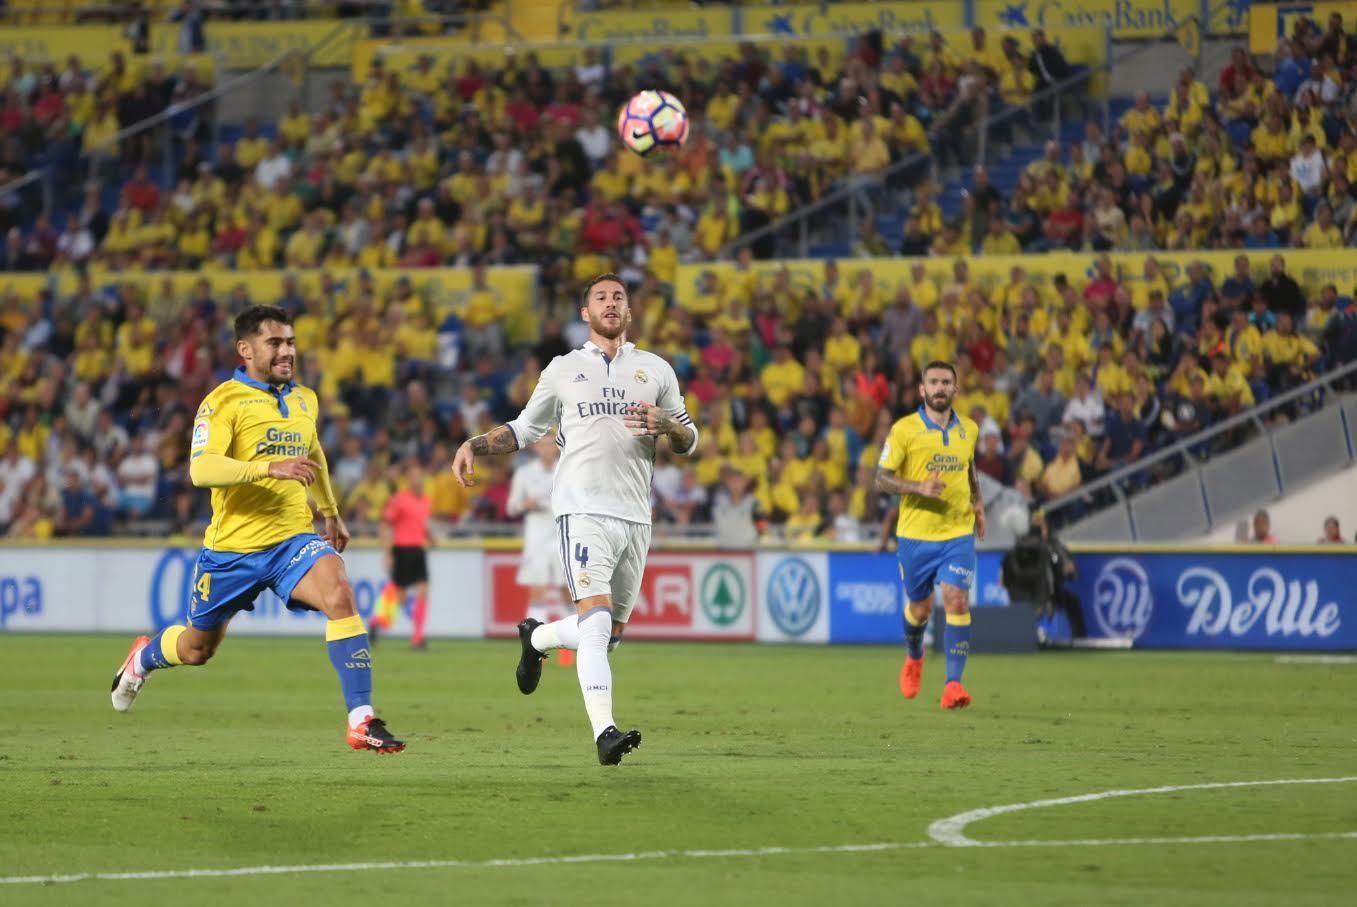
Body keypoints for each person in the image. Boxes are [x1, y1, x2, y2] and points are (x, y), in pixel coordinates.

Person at [108, 305, 405, 754]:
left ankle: (361, 719)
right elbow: (201, 469)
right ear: (245, 350)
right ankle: (142, 659)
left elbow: (313, 452)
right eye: (275, 343)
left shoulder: (305, 399)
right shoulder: (222, 402)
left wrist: (330, 511)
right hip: (232, 550)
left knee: (340, 594)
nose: (287, 351)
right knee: (196, 649)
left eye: (291, 342)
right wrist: (269, 467)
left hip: (291, 540)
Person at [452, 273, 699, 765]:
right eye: (600, 298)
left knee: (608, 635)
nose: (611, 303)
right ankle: (605, 733)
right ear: (585, 313)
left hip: (636, 515)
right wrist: (474, 444)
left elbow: (689, 441)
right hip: (581, 510)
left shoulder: (656, 370)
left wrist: (669, 425)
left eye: (619, 297)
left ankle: (537, 638)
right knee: (597, 620)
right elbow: (526, 428)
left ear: (629, 310)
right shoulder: (564, 369)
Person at [874, 361, 986, 710]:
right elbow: (881, 478)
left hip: (957, 530)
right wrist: (918, 487)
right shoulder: (904, 430)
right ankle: (914, 657)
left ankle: (953, 684)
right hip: (916, 534)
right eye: (934, 382)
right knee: (920, 609)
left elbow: (969, 466)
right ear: (922, 390)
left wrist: (978, 502)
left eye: (946, 382)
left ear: (955, 389)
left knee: (956, 599)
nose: (940, 387)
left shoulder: (970, 429)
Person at [506, 436, 574, 668]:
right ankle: (536, 647)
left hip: (561, 535)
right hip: (536, 538)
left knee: (568, 592)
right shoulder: (524, 473)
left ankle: (571, 645)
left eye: (551, 444)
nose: (547, 448)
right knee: (538, 590)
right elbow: (511, 507)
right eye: (543, 444)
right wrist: (524, 505)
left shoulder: (567, 470)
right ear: (536, 447)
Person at [371, 459, 433, 650]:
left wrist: (430, 537)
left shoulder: (426, 500)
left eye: (419, 476)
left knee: (423, 591)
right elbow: (384, 524)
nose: (417, 480)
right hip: (402, 550)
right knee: (400, 595)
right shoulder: (399, 499)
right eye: (413, 477)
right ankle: (376, 622)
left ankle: (417, 638)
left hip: (418, 550)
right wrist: (387, 553)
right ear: (408, 479)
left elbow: (419, 524)